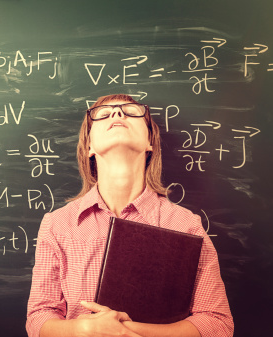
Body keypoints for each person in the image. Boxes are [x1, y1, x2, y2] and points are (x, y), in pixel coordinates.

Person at [26, 94, 234, 337]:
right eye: (103, 114)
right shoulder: (59, 224)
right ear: (89, 147)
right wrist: (83, 328)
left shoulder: (185, 225)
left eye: (131, 111)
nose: (117, 114)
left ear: (150, 143)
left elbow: (218, 324)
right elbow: (39, 317)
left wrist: (125, 331)